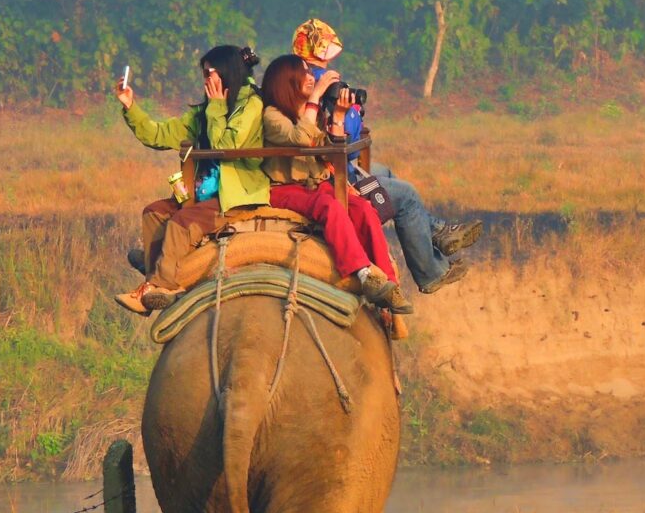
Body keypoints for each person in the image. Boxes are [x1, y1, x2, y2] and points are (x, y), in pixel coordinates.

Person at [291, 19, 482, 293]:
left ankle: (438, 232)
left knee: (385, 172)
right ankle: (431, 273)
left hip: (339, 163)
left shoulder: (300, 77)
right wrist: (338, 110)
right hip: (328, 172)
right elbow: (334, 137)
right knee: (406, 196)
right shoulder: (309, 85)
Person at [114, 45, 269, 315]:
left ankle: (161, 286)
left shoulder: (252, 105)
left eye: (210, 73)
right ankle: (156, 277)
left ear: (227, 73)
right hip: (203, 191)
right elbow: (159, 135)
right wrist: (130, 107)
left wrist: (218, 107)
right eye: (204, 73)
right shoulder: (205, 111)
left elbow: (227, 145)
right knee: (153, 213)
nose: (206, 79)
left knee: (181, 224)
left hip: (234, 194)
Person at [261, 53, 414, 315]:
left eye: (312, 74)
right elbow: (299, 138)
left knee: (363, 209)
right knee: (330, 207)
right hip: (285, 188)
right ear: (287, 81)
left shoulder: (308, 112)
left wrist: (339, 116)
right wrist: (315, 98)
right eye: (305, 74)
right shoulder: (272, 115)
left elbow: (330, 151)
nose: (312, 78)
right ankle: (363, 272)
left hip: (317, 184)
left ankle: (389, 283)